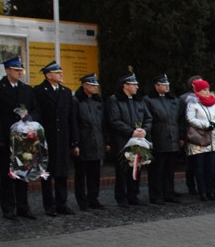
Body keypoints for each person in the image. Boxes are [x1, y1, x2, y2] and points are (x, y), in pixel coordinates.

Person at [0, 57, 40, 219]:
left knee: (23, 173)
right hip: (7, 138)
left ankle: (23, 207)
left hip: (24, 139)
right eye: (16, 70)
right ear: (8, 70)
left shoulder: (27, 89)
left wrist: (29, 118)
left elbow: (36, 110)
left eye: (20, 70)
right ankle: (8, 208)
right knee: (8, 174)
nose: (19, 73)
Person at [33, 60, 79, 216]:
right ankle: (49, 205)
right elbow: (37, 114)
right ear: (48, 75)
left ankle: (62, 203)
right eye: (58, 73)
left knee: (62, 173)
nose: (61, 75)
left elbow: (71, 118)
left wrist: (74, 141)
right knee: (47, 173)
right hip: (47, 138)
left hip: (63, 138)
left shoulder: (66, 92)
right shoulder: (39, 91)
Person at [106, 73, 152, 207]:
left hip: (138, 140)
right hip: (122, 141)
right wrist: (131, 131)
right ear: (125, 86)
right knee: (122, 171)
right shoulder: (114, 100)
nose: (137, 87)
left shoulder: (139, 100)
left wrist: (144, 130)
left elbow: (148, 118)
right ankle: (121, 197)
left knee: (136, 168)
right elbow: (114, 120)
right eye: (134, 84)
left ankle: (134, 195)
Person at [145, 74, 182, 204]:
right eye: (163, 84)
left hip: (172, 137)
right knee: (157, 169)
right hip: (158, 137)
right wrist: (149, 139)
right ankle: (156, 195)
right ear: (156, 86)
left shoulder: (173, 100)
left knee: (169, 169)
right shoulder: (149, 100)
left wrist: (180, 136)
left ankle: (169, 193)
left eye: (168, 84)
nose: (167, 87)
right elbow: (148, 120)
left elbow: (178, 119)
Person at [185, 78, 215, 200]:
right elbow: (190, 118)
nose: (207, 92)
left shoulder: (214, 102)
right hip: (198, 140)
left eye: (208, 89)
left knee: (212, 167)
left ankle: (210, 190)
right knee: (199, 168)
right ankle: (202, 191)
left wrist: (214, 124)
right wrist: (206, 125)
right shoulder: (193, 103)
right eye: (204, 90)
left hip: (212, 140)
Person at [72, 73, 104, 210]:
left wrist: (105, 141)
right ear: (84, 85)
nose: (95, 87)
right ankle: (82, 201)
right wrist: (75, 143)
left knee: (95, 173)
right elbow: (74, 123)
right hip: (83, 141)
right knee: (80, 174)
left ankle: (93, 198)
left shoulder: (98, 101)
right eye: (92, 85)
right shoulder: (76, 101)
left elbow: (103, 123)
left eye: (96, 85)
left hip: (97, 141)